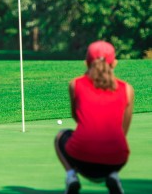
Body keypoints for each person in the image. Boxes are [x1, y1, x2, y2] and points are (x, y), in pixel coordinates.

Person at [54, 41, 134, 194]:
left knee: (60, 136)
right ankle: (113, 175)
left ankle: (71, 177)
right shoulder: (127, 89)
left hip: (82, 160)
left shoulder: (75, 84)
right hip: (116, 159)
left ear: (86, 62)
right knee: (118, 141)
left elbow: (77, 117)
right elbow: (124, 128)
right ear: (114, 63)